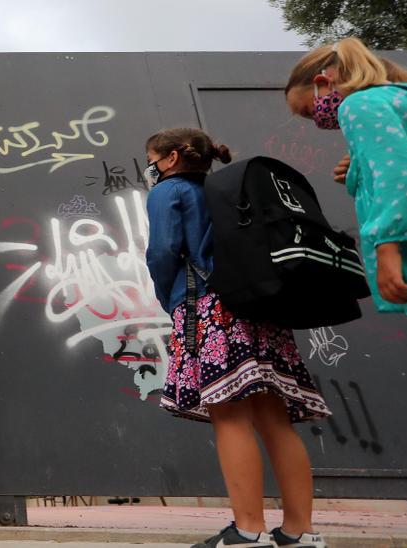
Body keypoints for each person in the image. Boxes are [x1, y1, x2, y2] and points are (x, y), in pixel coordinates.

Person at [144, 128, 331, 548]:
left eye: (152, 158)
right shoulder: (225, 189)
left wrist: (168, 299)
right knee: (274, 420)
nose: (150, 167)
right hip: (259, 307)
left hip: (209, 309)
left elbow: (162, 252)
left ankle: (247, 531)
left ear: (171, 158)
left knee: (228, 415)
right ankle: (299, 532)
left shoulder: (168, 191)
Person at [284, 37, 407, 323]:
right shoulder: (406, 96)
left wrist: (388, 246)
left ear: (322, 82)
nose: (317, 120)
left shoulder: (358, 105)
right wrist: (358, 172)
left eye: (308, 110)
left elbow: (397, 174)